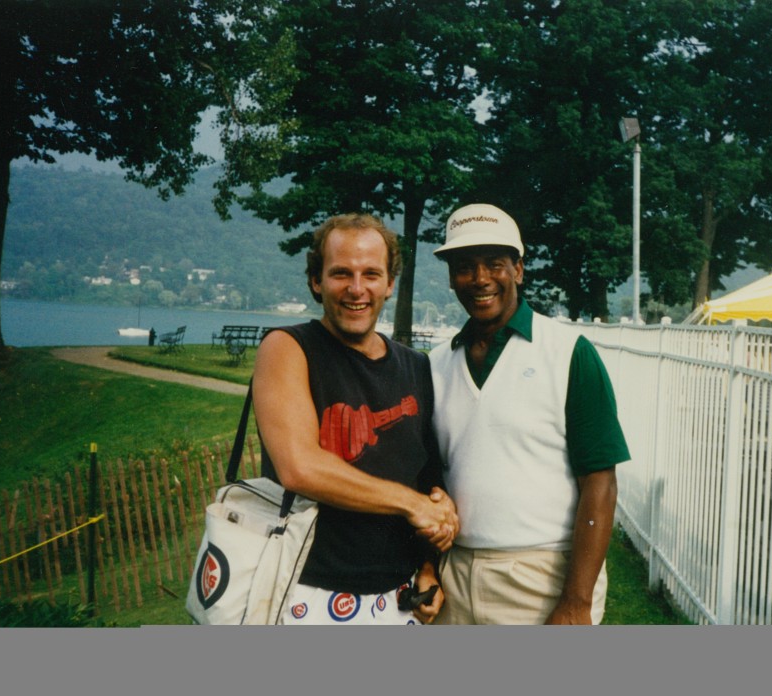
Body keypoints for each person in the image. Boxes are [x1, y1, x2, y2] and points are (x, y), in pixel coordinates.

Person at [429, 203, 631, 625]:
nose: (480, 279)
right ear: (451, 277)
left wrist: (576, 601)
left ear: (518, 269)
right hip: (455, 578)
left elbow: (601, 482)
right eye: (465, 266)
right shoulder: (435, 365)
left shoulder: (568, 352)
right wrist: (429, 566)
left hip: (542, 578)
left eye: (495, 264)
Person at [252, 213, 458, 625]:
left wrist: (431, 564)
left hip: (398, 599)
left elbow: (429, 477)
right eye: (341, 273)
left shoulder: (416, 366)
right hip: (306, 592)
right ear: (316, 281)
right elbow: (299, 467)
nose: (357, 289)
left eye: (371, 274)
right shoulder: (288, 348)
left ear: (389, 283)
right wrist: (413, 504)